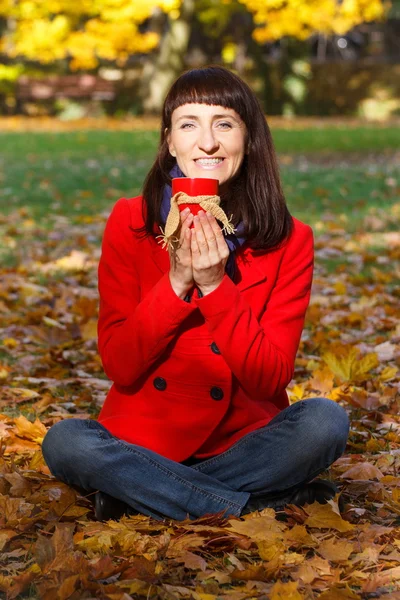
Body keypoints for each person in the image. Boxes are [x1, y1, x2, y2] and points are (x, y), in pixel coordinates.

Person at [41, 66, 350, 522]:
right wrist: (177, 282)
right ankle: (255, 505)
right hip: (146, 440)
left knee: (326, 421)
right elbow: (120, 365)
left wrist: (214, 285)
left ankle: (142, 495)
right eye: (189, 125)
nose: (207, 143)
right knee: (66, 442)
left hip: (243, 442)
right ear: (170, 142)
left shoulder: (289, 238)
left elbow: (269, 379)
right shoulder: (130, 221)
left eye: (224, 123)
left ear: (249, 138)